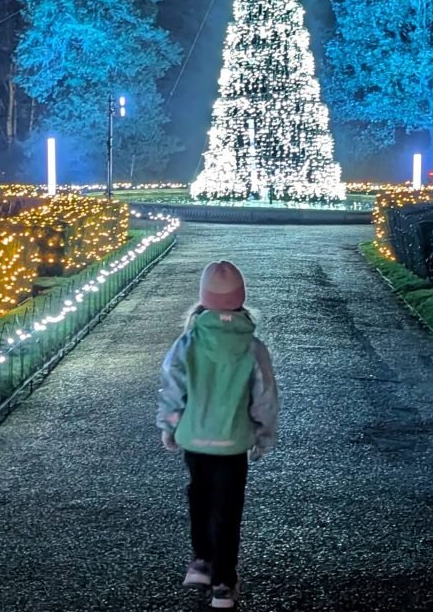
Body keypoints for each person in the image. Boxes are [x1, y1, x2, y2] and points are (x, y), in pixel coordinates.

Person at [156, 260, 278, 609]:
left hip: (194, 438)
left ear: (203, 301)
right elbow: (264, 396)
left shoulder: (188, 342)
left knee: (199, 496)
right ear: (241, 301)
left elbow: (173, 388)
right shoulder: (252, 347)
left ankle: (201, 560)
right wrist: (264, 435)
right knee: (228, 508)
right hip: (233, 441)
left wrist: (169, 427)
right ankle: (224, 582)